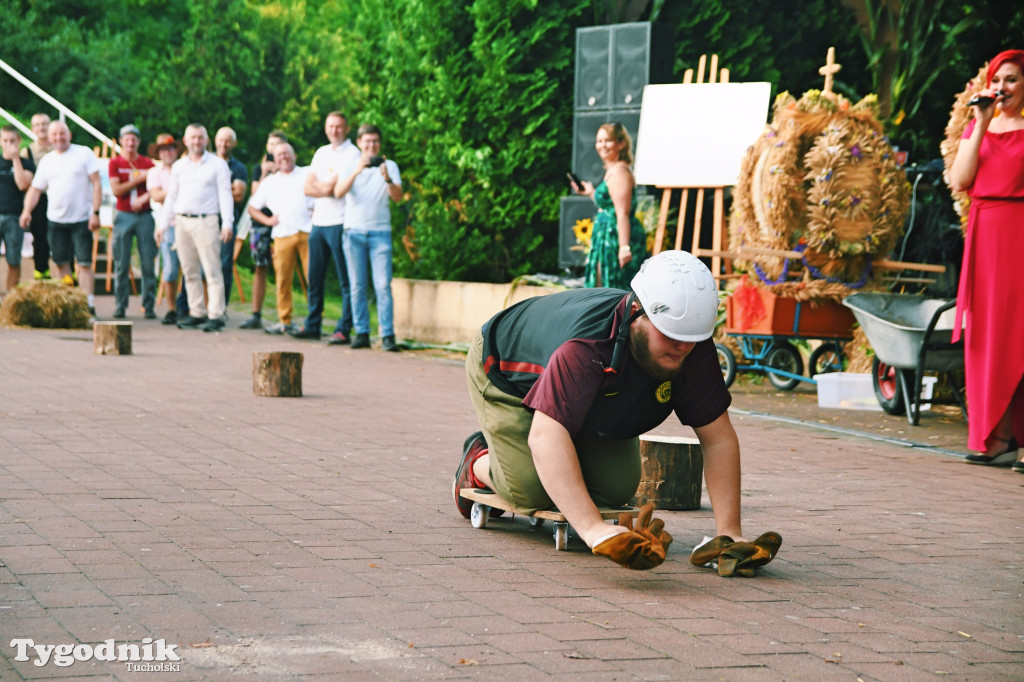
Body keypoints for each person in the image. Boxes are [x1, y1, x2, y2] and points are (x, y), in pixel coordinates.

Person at [454, 250, 779, 571]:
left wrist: (729, 534)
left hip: (585, 397)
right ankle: (478, 459)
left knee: (616, 488)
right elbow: (544, 437)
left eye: (691, 338)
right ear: (637, 311)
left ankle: (555, 455)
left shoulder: (688, 344)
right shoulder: (586, 345)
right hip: (503, 370)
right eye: (670, 334)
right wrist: (596, 531)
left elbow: (718, 438)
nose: (683, 347)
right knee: (528, 487)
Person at [949, 49, 1024, 470]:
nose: (1003, 88)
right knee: (988, 336)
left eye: (1011, 80)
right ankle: (993, 437)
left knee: (1020, 335)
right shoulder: (978, 129)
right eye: (998, 80)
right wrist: (980, 124)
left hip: (1020, 235)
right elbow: (961, 180)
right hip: (986, 237)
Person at [19, 120, 102, 317]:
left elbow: (97, 183)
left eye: (62, 134)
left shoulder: (84, 153)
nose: (59, 138)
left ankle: (88, 305)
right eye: (54, 135)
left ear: (69, 134)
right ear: (50, 137)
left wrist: (96, 212)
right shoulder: (48, 161)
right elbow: (35, 189)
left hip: (81, 219)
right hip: (56, 220)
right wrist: (26, 211)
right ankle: (71, 306)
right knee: (61, 263)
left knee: (84, 263)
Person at [290, 112, 360, 343]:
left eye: (339, 126)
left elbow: (338, 188)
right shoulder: (321, 152)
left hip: (341, 222)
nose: (334, 130)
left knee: (345, 280)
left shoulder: (353, 154)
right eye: (330, 126)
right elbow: (308, 188)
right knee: (315, 277)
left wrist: (324, 186)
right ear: (325, 128)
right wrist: (326, 187)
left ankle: (343, 328)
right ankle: (312, 324)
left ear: (347, 128)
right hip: (318, 223)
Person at [333, 124, 403, 351]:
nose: (371, 145)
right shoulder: (349, 164)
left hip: (380, 233)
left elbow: (398, 197)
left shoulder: (390, 165)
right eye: (367, 141)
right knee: (357, 286)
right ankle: (361, 332)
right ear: (360, 143)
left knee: (383, 285)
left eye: (375, 141)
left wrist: (387, 179)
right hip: (353, 232)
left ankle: (387, 335)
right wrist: (357, 171)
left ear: (380, 144)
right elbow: (338, 192)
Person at [160, 124, 234, 332]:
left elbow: (225, 195)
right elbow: (171, 196)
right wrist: (163, 225)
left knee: (212, 270)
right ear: (185, 140)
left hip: (207, 220)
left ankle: (216, 314)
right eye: (193, 137)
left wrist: (227, 223)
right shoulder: (179, 166)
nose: (196, 141)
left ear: (206, 139)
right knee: (190, 270)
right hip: (182, 221)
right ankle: (196, 311)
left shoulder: (218, 165)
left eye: (200, 137)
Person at [245, 143, 312, 333]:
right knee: (283, 281)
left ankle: (314, 320)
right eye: (279, 155)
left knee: (312, 278)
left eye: (286, 154)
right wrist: (267, 220)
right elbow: (252, 207)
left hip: (307, 232)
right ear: (274, 159)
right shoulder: (269, 182)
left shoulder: (307, 173)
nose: (283, 157)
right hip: (282, 234)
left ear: (295, 155)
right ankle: (285, 320)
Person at [573, 122, 648, 289]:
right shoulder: (612, 170)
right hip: (606, 237)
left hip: (615, 239)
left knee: (614, 289)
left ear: (621, 144)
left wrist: (624, 248)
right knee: (603, 288)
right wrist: (591, 192)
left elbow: (622, 213)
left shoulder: (620, 171)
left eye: (608, 140)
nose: (602, 145)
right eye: (599, 141)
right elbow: (609, 207)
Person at [108, 124, 157, 319]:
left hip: (145, 215)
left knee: (147, 262)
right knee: (121, 263)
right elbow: (117, 190)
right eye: (126, 139)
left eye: (134, 139)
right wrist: (140, 179)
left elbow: (155, 188)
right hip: (124, 214)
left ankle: (149, 306)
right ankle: (120, 305)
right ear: (121, 141)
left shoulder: (148, 163)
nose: (130, 143)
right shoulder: (115, 163)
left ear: (138, 142)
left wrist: (144, 196)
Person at [146, 134, 185, 325]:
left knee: (191, 268)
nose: (167, 152)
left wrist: (169, 193)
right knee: (169, 270)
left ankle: (187, 307)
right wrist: (177, 191)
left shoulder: (186, 167)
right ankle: (172, 309)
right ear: (159, 153)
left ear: (175, 150)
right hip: (168, 224)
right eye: (163, 149)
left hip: (187, 223)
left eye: (170, 148)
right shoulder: (155, 172)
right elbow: (156, 195)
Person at [213, 127, 248, 305]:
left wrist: (212, 190)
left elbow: (239, 195)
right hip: (207, 219)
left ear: (234, 143)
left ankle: (222, 306)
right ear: (214, 140)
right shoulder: (207, 162)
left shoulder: (239, 168)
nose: (223, 144)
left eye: (227, 141)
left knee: (225, 264)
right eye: (220, 140)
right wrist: (227, 188)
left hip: (228, 220)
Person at [1, 126, 35, 292]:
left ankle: (9, 300)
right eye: (5, 140)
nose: (8, 144)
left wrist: (15, 159)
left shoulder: (27, 164)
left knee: (13, 261)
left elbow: (23, 185)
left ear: (19, 141)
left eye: (12, 140)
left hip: (15, 218)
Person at [21, 113, 53, 280]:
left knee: (59, 236)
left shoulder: (58, 147)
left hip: (57, 198)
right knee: (39, 236)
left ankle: (69, 275)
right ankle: (41, 272)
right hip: (37, 200)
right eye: (38, 125)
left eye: (45, 124)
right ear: (33, 128)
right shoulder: (27, 151)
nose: (41, 127)